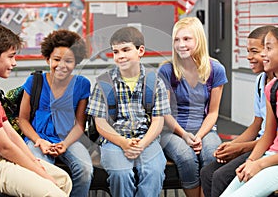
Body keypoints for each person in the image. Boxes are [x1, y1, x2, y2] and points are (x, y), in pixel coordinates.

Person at [0, 23, 72, 196]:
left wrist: (35, 163)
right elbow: (4, 147)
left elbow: (11, 134)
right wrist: (42, 175)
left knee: (62, 180)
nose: (14, 63)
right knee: (53, 192)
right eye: (11, 56)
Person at [86, 26, 171, 197]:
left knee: (153, 172)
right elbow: (100, 123)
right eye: (116, 51)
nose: (120, 56)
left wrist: (142, 143)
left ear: (140, 51)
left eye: (126, 49)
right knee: (121, 174)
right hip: (113, 140)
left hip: (147, 139)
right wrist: (123, 143)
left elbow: (158, 121)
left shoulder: (155, 82)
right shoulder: (104, 83)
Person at [200, 25, 276, 197]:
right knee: (207, 173)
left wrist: (241, 149)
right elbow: (258, 124)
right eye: (247, 51)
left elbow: (270, 139)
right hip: (261, 144)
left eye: (254, 51)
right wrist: (232, 146)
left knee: (220, 177)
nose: (249, 57)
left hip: (267, 149)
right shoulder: (262, 82)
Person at [158, 17, 228, 197]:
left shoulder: (216, 69)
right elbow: (164, 113)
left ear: (199, 39)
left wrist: (198, 136)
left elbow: (213, 113)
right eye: (177, 39)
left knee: (212, 155)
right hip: (172, 131)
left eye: (187, 39)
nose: (181, 44)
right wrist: (185, 135)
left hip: (204, 129)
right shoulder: (166, 71)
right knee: (186, 157)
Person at [18, 29, 92, 197]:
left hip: (68, 139)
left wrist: (65, 144)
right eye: (57, 59)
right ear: (47, 59)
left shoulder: (82, 84)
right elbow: (22, 119)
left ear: (76, 63)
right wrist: (39, 141)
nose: (62, 65)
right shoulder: (34, 81)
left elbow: (80, 124)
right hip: (37, 139)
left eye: (69, 61)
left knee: (86, 170)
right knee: (43, 172)